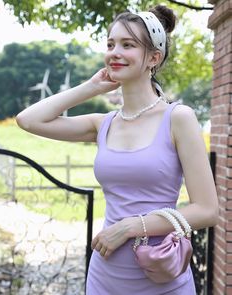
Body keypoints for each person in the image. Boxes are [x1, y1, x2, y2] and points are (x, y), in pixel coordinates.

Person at [16, 5, 218, 295]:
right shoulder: (103, 124)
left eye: (128, 45)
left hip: (161, 277)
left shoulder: (178, 118)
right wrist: (92, 87)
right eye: (110, 44)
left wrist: (130, 227)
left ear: (154, 58)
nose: (115, 52)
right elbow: (28, 120)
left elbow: (208, 210)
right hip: (105, 276)